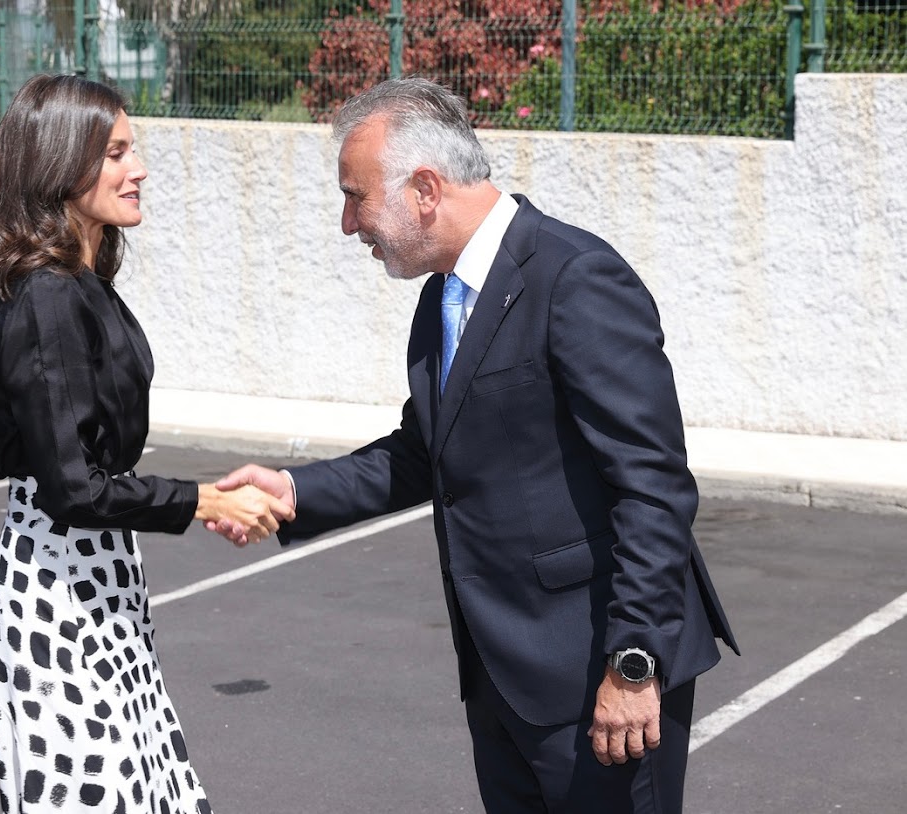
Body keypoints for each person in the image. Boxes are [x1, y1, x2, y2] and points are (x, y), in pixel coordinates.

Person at [212, 78, 739, 813]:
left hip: (601, 678)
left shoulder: (576, 278)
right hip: (503, 680)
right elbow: (421, 453)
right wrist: (294, 492)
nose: (346, 223)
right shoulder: (443, 296)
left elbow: (652, 486)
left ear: (425, 188)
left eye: (356, 196)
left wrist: (634, 663)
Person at [0, 74, 292, 814]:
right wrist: (204, 499)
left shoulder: (81, 281)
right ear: (57, 165)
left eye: (132, 149)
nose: (136, 168)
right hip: (57, 605)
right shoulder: (45, 296)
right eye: (114, 152)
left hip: (99, 587)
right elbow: (73, 488)